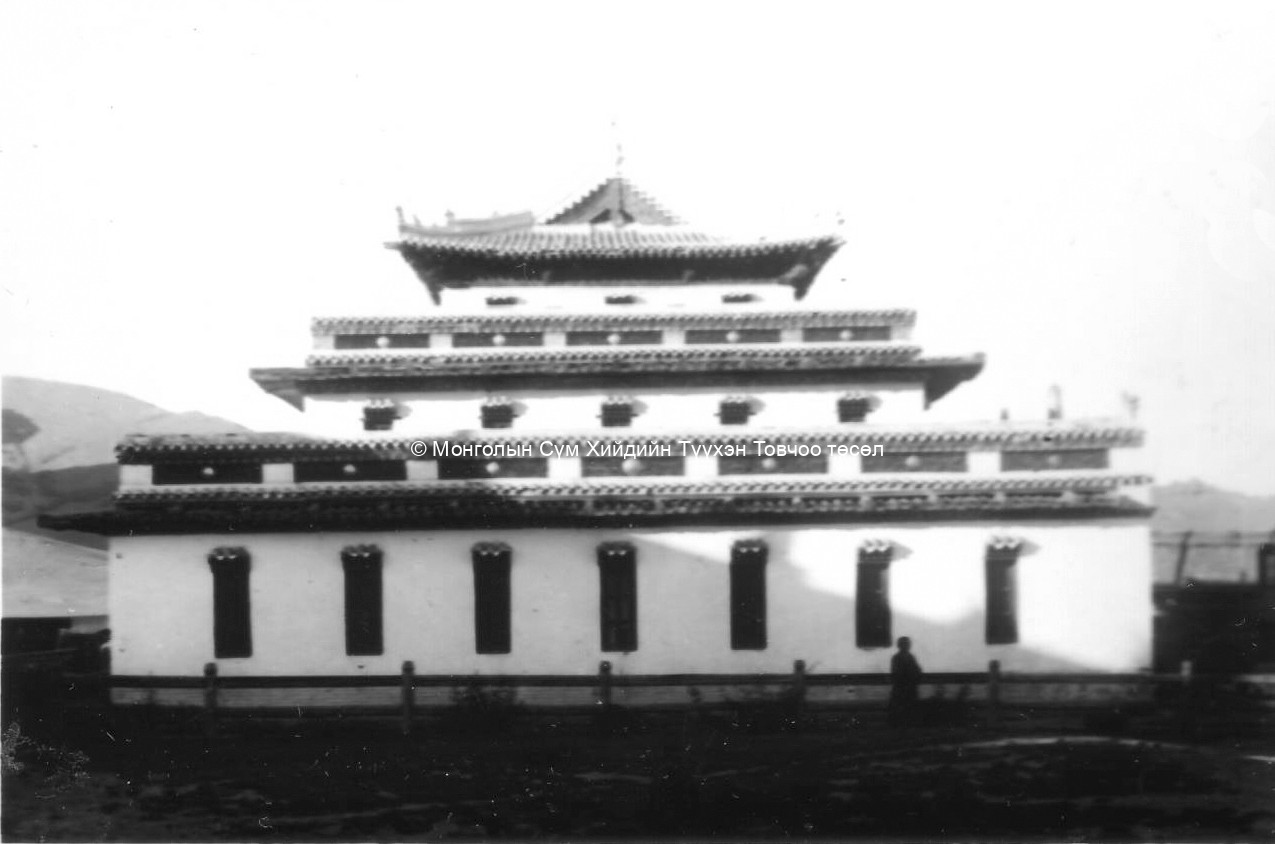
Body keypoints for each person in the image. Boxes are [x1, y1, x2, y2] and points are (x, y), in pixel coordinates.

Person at [888, 636, 922, 726]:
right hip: (903, 690)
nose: (908, 645)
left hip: (906, 690)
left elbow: (917, 671)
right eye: (906, 644)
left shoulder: (907, 657)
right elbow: (898, 674)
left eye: (908, 644)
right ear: (901, 645)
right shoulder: (899, 658)